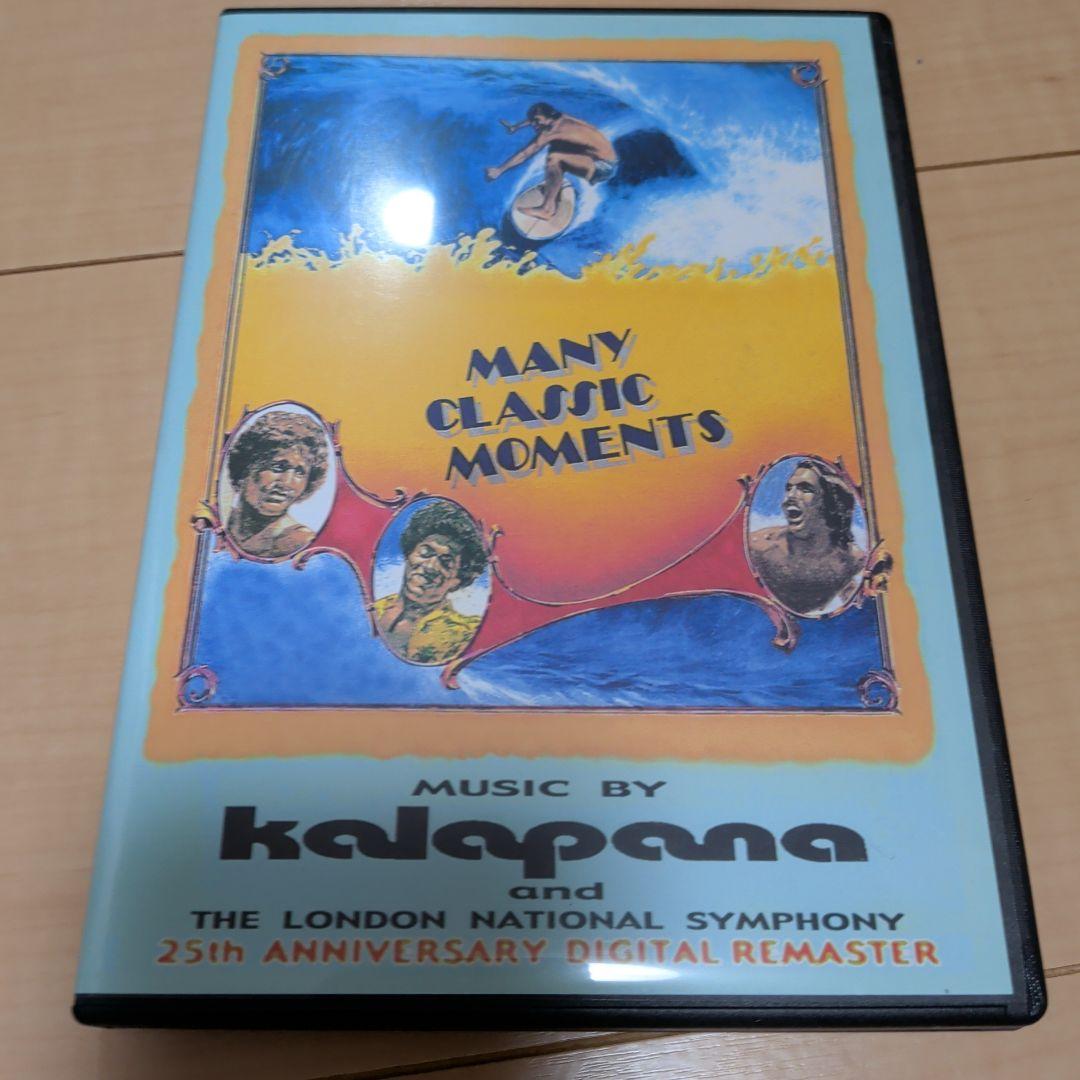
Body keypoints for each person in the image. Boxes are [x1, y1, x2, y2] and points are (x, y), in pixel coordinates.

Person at [374, 502, 488, 664]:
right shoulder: (372, 609)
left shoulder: (464, 634)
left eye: (446, 562)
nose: (430, 567)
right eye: (426, 552)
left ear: (457, 581)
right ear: (409, 554)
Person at [749, 460, 867, 615]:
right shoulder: (760, 548)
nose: (790, 497)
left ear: (831, 503)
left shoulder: (852, 561)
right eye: (789, 488)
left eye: (805, 489)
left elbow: (855, 611)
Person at [485, 102, 618, 221]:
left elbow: (525, 154)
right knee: (556, 146)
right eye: (532, 121)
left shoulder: (552, 131)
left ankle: (547, 210)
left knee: (554, 158)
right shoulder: (559, 117)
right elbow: (536, 118)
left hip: (603, 168)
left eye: (536, 121)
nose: (534, 125)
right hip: (600, 159)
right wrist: (516, 126)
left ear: (549, 117)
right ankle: (554, 184)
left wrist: (499, 170)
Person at [225, 410, 329, 559]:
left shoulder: (299, 541)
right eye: (278, 467)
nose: (287, 483)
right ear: (246, 467)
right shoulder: (221, 522)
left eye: (300, 472)